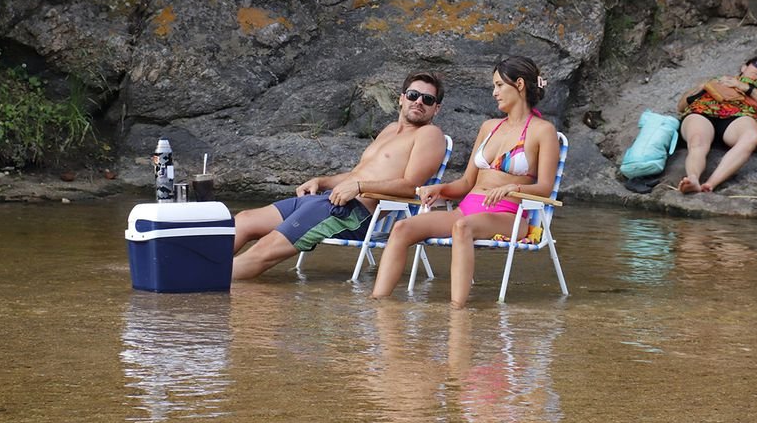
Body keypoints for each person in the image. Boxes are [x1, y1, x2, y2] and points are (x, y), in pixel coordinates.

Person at [371, 56, 560, 308]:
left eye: (499, 85)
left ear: (520, 85)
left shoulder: (542, 131)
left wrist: (513, 187)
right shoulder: (489, 127)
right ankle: (377, 304)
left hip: (509, 215)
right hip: (468, 209)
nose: (494, 93)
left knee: (462, 228)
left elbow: (545, 187)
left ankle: (457, 310)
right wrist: (441, 189)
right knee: (402, 228)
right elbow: (467, 181)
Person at [231, 71, 448, 280]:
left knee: (266, 249)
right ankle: (204, 268)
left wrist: (361, 187)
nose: (419, 101)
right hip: (328, 200)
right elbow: (357, 174)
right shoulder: (391, 129)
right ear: (401, 99)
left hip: (352, 213)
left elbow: (412, 187)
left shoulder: (430, 135)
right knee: (244, 220)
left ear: (436, 109)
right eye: (413, 95)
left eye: (427, 99)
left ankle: (209, 282)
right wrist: (322, 181)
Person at [675, 55, 757, 193]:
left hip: (739, 116)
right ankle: (693, 178)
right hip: (702, 111)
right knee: (698, 139)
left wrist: (747, 88)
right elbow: (681, 106)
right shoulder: (719, 79)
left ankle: (710, 184)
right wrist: (702, 87)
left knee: (751, 137)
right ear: (744, 66)